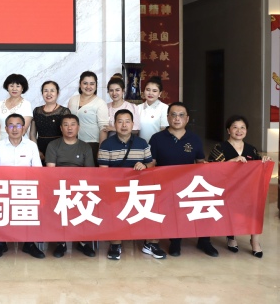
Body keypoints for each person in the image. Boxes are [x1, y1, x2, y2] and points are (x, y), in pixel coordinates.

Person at [149, 102, 218, 258]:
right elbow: (151, 163)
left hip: (189, 185)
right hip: (165, 185)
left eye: (181, 115)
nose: (177, 118)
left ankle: (204, 240)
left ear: (187, 118)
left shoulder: (194, 139)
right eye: (173, 115)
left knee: (206, 200)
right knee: (173, 209)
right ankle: (175, 241)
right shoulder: (157, 138)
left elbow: (200, 163)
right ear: (167, 118)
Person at [98, 109, 165, 260]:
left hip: (139, 188)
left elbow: (151, 165)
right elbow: (103, 172)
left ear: (133, 124)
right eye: (120, 121)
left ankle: (151, 243)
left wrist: (144, 166)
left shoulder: (142, 143)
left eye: (127, 121)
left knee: (155, 203)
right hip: (116, 188)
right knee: (113, 205)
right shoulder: (106, 144)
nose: (124, 125)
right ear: (114, 124)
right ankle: (115, 244)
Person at [208, 115, 272, 258]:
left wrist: (264, 160)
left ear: (246, 131)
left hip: (248, 189)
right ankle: (231, 236)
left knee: (255, 210)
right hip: (228, 189)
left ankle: (254, 241)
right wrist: (232, 161)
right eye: (235, 127)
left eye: (242, 127)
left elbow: (258, 167)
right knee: (231, 209)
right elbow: (211, 168)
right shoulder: (220, 147)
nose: (239, 131)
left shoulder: (251, 149)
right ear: (228, 130)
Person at [0, 114, 44, 259]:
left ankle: (29, 243)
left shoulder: (31, 146)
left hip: (26, 188)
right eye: (11, 126)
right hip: (3, 188)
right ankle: (0, 243)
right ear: (6, 128)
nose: (15, 129)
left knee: (34, 204)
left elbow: (37, 171)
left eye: (18, 125)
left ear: (24, 128)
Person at [45, 113, 96, 258]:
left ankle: (82, 242)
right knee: (58, 203)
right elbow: (50, 171)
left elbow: (89, 173)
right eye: (66, 125)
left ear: (78, 127)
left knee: (87, 202)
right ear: (61, 128)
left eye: (73, 125)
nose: (69, 128)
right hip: (59, 187)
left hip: (80, 187)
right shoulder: (53, 145)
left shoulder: (85, 147)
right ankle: (61, 243)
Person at [67, 71, 109, 165]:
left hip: (92, 145)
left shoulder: (100, 103)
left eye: (92, 84)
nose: (88, 86)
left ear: (96, 85)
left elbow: (104, 128)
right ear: (80, 84)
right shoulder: (73, 100)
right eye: (85, 83)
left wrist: (101, 150)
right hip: (73, 143)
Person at [29, 80, 70, 164]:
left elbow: (68, 134)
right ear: (42, 93)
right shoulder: (37, 110)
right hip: (40, 150)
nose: (49, 94)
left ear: (58, 93)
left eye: (52, 91)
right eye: (46, 91)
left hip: (59, 150)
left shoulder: (64, 111)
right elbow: (32, 134)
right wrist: (36, 151)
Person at [0, 74, 33, 142]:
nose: (14, 89)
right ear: (7, 87)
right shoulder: (0, 104)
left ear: (22, 88)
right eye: (11, 86)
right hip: (1, 142)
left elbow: (23, 129)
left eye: (18, 86)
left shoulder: (26, 104)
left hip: (19, 142)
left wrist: (11, 144)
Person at [137, 76, 168, 142]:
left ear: (160, 93)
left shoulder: (164, 108)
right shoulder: (138, 108)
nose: (150, 93)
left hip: (158, 144)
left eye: (154, 91)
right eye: (148, 90)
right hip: (141, 145)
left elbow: (164, 131)